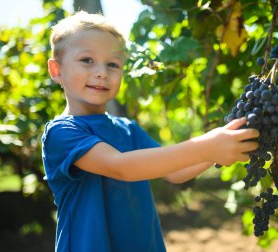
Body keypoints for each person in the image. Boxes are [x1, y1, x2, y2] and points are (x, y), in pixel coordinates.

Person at [41, 10, 259, 252]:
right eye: (87, 60)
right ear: (56, 70)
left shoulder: (127, 129)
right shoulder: (62, 133)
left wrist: (225, 141)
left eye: (113, 64)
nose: (102, 72)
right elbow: (121, 167)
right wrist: (208, 146)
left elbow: (176, 172)